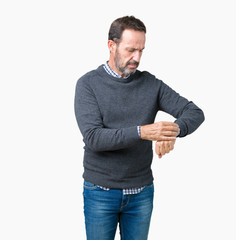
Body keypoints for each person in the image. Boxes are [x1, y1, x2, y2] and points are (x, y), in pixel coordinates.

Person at [74, 15, 205, 240]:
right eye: (130, 50)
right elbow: (94, 137)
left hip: (141, 192)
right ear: (111, 46)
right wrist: (143, 132)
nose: (136, 58)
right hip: (100, 193)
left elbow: (194, 112)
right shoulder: (88, 84)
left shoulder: (150, 84)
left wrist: (173, 131)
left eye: (141, 50)